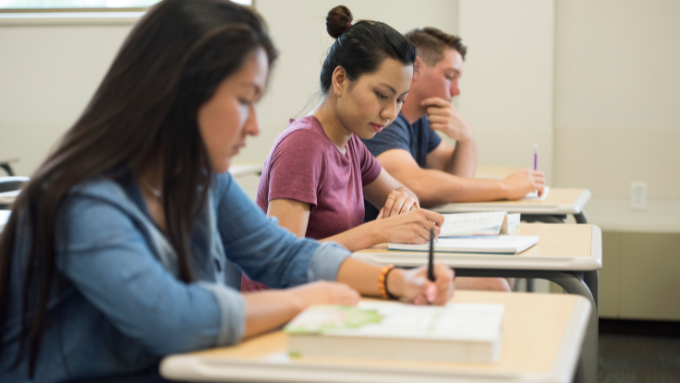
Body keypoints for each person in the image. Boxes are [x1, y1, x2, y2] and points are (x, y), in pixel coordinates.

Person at [0, 2, 454, 381]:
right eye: (244, 100)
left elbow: (282, 254)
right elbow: (172, 320)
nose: (255, 126)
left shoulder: (199, 176)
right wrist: (304, 298)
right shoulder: (83, 197)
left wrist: (395, 281)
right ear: (178, 89)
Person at [241, 6, 446, 292]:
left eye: (400, 99)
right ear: (340, 80)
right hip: (287, 311)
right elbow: (284, 260)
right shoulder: (302, 145)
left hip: (331, 293)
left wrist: (403, 200)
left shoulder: (351, 144)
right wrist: (376, 231)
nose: (390, 112)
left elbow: (403, 193)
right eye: (382, 95)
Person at [361, 28, 546, 292]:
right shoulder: (384, 123)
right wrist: (503, 187)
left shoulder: (419, 121)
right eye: (450, 77)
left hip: (400, 243)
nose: (456, 90)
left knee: (506, 271)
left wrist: (466, 138)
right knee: (496, 284)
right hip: (380, 251)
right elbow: (415, 183)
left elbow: (456, 178)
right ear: (418, 68)